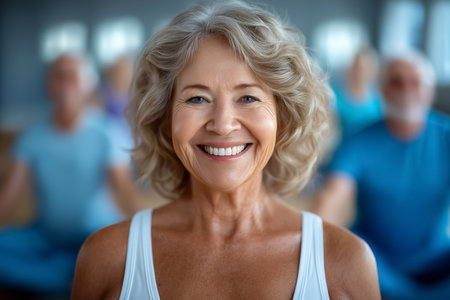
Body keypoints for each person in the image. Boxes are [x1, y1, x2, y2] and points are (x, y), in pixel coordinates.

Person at [71, 2, 380, 299]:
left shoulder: (344, 262)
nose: (222, 125)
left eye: (247, 98)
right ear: (165, 119)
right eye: (197, 99)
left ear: (283, 118)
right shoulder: (108, 257)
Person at [0, 54, 142, 297]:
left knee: (114, 255)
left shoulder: (106, 133)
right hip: (44, 236)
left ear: (89, 86)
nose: (66, 85)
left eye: (73, 78)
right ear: (48, 84)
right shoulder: (32, 136)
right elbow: (8, 196)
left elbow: (125, 192)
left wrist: (147, 239)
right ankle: (70, 281)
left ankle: (61, 279)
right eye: (59, 77)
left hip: (96, 236)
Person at [315, 51, 450, 300]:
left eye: (415, 82)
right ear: (382, 91)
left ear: (429, 91)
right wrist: (313, 239)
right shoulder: (359, 141)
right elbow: (334, 194)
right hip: (376, 265)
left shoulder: (445, 136)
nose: (406, 90)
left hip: (438, 260)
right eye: (396, 82)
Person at [331, 48, 383, 139]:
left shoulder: (379, 102)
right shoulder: (335, 98)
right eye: (357, 67)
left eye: (364, 68)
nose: (359, 72)